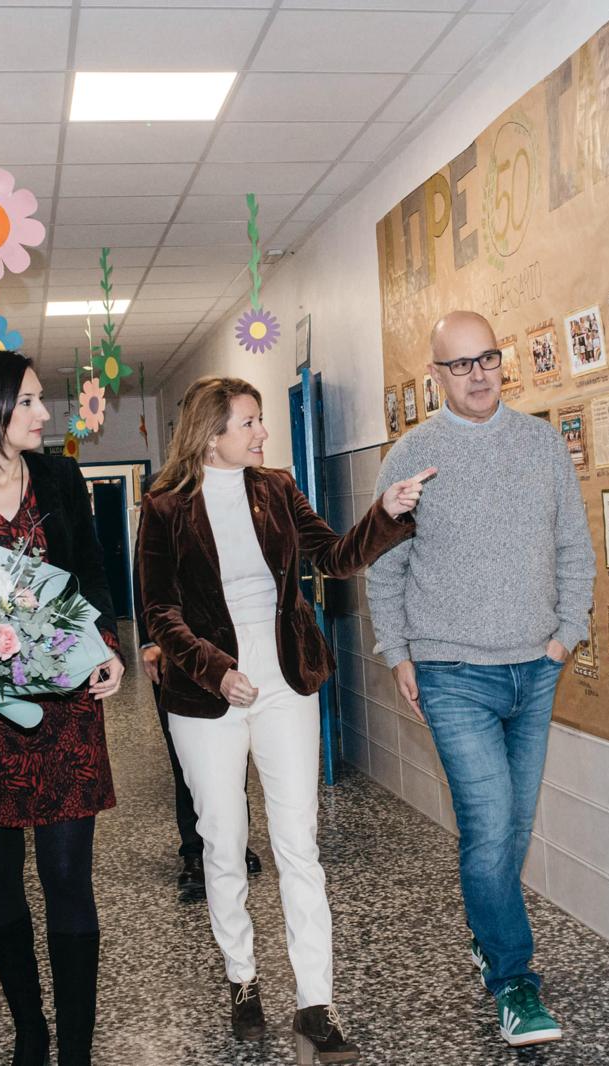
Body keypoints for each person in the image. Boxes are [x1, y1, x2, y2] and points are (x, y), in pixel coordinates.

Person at [138, 377, 431, 1062]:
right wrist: (215, 667)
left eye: (263, 421)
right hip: (208, 693)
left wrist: (384, 512)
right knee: (222, 839)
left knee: (298, 842)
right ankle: (242, 979)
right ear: (212, 435)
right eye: (250, 423)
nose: (263, 433)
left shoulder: (276, 489)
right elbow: (159, 610)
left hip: (285, 681)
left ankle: (315, 1002)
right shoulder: (164, 508)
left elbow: (334, 555)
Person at [368, 310, 595, 1048]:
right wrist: (399, 653)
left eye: (488, 359)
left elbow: (573, 545)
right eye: (460, 364)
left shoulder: (539, 444)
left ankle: (486, 931)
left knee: (509, 829)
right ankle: (515, 980)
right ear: (436, 375)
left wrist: (566, 637)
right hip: (453, 673)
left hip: (536, 668)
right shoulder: (412, 454)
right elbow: (385, 563)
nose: (478, 375)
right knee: (492, 828)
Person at [0, 350, 126, 1066]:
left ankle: (74, 1046)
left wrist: (108, 644)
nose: (47, 415)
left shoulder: (60, 478)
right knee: (0, 882)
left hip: (69, 708)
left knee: (70, 879)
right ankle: (30, 1030)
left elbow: (94, 571)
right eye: (32, 403)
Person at [133, 476, 263, 905]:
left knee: (232, 759)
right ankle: (195, 853)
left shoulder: (245, 491)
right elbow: (146, 576)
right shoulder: (165, 494)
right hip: (179, 652)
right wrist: (151, 643)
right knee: (186, 763)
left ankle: (233, 843)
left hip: (230, 655)